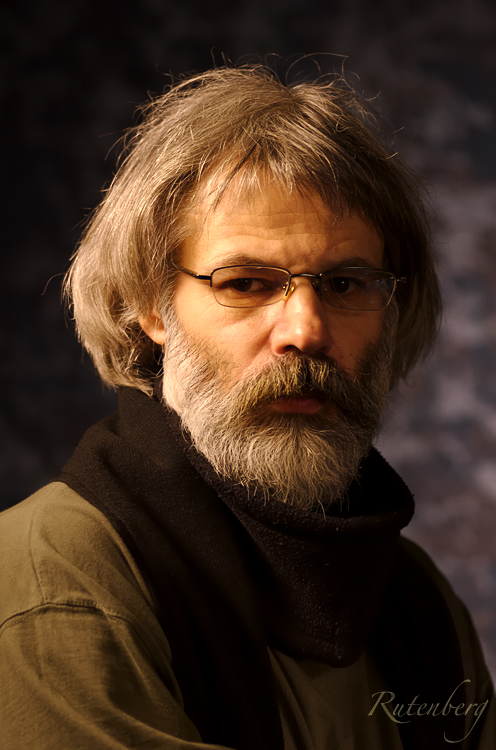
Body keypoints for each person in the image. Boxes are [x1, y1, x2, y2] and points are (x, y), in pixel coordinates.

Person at [1, 64, 494, 750]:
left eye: (346, 283)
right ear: (151, 305)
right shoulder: (55, 576)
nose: (305, 330)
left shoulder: (417, 600)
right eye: (246, 283)